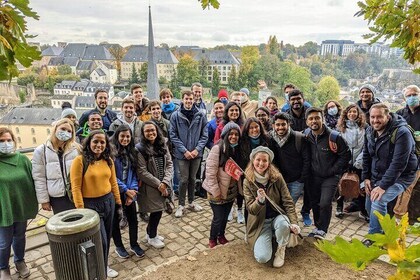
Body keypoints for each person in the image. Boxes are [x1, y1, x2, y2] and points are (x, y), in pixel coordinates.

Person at [362, 104, 417, 246]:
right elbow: (367, 155)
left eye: (379, 116)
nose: (375, 120)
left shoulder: (401, 132)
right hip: (377, 174)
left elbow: (398, 164)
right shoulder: (369, 131)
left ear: (388, 116)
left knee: (379, 200)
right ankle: (388, 232)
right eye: (372, 117)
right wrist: (366, 178)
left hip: (401, 176)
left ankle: (374, 239)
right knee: (370, 207)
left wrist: (382, 186)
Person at [70, 130, 122, 278]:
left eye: (102, 142)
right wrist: (82, 211)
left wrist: (118, 203)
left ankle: (103, 267)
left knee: (108, 237)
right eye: (95, 141)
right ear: (89, 143)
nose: (99, 145)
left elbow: (113, 183)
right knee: (101, 241)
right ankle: (99, 269)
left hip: (108, 202)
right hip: (91, 206)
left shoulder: (108, 160)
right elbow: (76, 187)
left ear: (106, 145)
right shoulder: (80, 161)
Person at [243, 146, 300, 268]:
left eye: (265, 160)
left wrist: (294, 222)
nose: (261, 163)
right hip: (260, 222)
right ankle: (270, 235)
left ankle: (281, 248)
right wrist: (259, 200)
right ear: (253, 160)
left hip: (277, 217)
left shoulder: (277, 178)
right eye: (258, 160)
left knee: (284, 224)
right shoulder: (248, 181)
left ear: (269, 163)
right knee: (262, 258)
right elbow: (251, 209)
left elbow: (288, 201)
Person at [305, 107, 350, 239]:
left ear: (322, 119)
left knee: (325, 203)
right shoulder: (306, 135)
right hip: (313, 176)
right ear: (307, 121)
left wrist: (333, 170)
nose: (314, 121)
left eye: (317, 118)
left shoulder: (334, 137)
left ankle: (323, 229)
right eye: (311, 118)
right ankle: (318, 226)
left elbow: (345, 155)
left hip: (330, 177)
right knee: (315, 202)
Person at [0, 128, 38, 280]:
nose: (6, 143)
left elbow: (32, 179)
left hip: (21, 206)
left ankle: (19, 261)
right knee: (4, 242)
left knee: (20, 236)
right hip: (3, 209)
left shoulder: (22, 159)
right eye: (2, 141)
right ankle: (3, 268)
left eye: (9, 140)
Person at [203, 122, 243, 248]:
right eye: (231, 134)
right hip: (217, 190)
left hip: (230, 190)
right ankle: (212, 238)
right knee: (218, 217)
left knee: (225, 216)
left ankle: (221, 235)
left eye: (236, 134)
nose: (234, 137)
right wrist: (216, 191)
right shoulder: (217, 148)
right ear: (225, 135)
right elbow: (210, 172)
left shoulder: (238, 149)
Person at [170, 90, 208, 218]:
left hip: (196, 154)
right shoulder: (176, 116)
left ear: (194, 100)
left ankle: (191, 202)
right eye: (186, 99)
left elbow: (204, 134)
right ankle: (181, 204)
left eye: (191, 99)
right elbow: (173, 135)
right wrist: (185, 151)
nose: (189, 101)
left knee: (193, 178)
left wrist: (197, 149)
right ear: (182, 100)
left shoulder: (200, 115)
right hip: (182, 155)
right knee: (183, 179)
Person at [136, 121, 173, 248]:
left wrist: (165, 182)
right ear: (143, 133)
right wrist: (159, 184)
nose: (151, 133)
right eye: (147, 131)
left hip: (164, 183)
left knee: (158, 211)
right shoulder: (140, 149)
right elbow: (141, 171)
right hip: (150, 186)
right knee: (156, 211)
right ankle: (152, 237)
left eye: (153, 130)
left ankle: (150, 233)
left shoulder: (162, 145)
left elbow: (169, 164)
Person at [32, 118, 81, 214]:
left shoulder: (76, 149)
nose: (65, 132)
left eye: (69, 131)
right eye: (62, 129)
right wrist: (44, 200)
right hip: (57, 197)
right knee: (62, 225)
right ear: (55, 129)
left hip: (75, 193)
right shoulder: (41, 151)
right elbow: (39, 177)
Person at [110, 125, 144, 259]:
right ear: (117, 137)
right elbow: (112, 177)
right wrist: (125, 190)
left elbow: (134, 174)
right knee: (115, 222)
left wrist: (133, 191)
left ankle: (134, 244)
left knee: (133, 220)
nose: (125, 139)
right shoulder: (111, 153)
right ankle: (119, 246)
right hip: (115, 193)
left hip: (129, 192)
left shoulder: (132, 152)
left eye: (128, 136)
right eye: (122, 136)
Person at [335, 104, 368, 220]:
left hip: (360, 162)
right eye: (349, 112)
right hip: (345, 162)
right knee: (342, 185)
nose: (352, 114)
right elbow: (338, 147)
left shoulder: (364, 128)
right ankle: (339, 207)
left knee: (361, 187)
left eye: (354, 112)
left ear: (359, 114)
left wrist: (358, 161)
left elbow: (366, 147)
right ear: (346, 114)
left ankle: (363, 210)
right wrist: (346, 161)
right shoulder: (340, 128)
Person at [236, 117, 271, 224]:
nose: (254, 130)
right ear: (247, 129)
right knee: (250, 202)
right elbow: (239, 160)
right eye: (251, 128)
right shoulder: (242, 141)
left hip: (264, 175)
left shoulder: (267, 140)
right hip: (248, 176)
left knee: (264, 200)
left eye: (256, 127)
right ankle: (249, 226)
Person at [270, 112, 310, 204]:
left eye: (283, 124)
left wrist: (301, 180)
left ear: (288, 124)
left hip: (296, 181)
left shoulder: (299, 138)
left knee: (289, 206)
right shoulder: (269, 139)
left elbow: (307, 160)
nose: (280, 127)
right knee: (278, 205)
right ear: (273, 125)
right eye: (278, 125)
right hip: (277, 180)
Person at [394, 85, 420, 219]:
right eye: (409, 95)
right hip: (405, 157)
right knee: (404, 187)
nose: (412, 98)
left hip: (418, 157)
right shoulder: (400, 114)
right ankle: (399, 216)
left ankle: (402, 217)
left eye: (414, 94)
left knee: (409, 188)